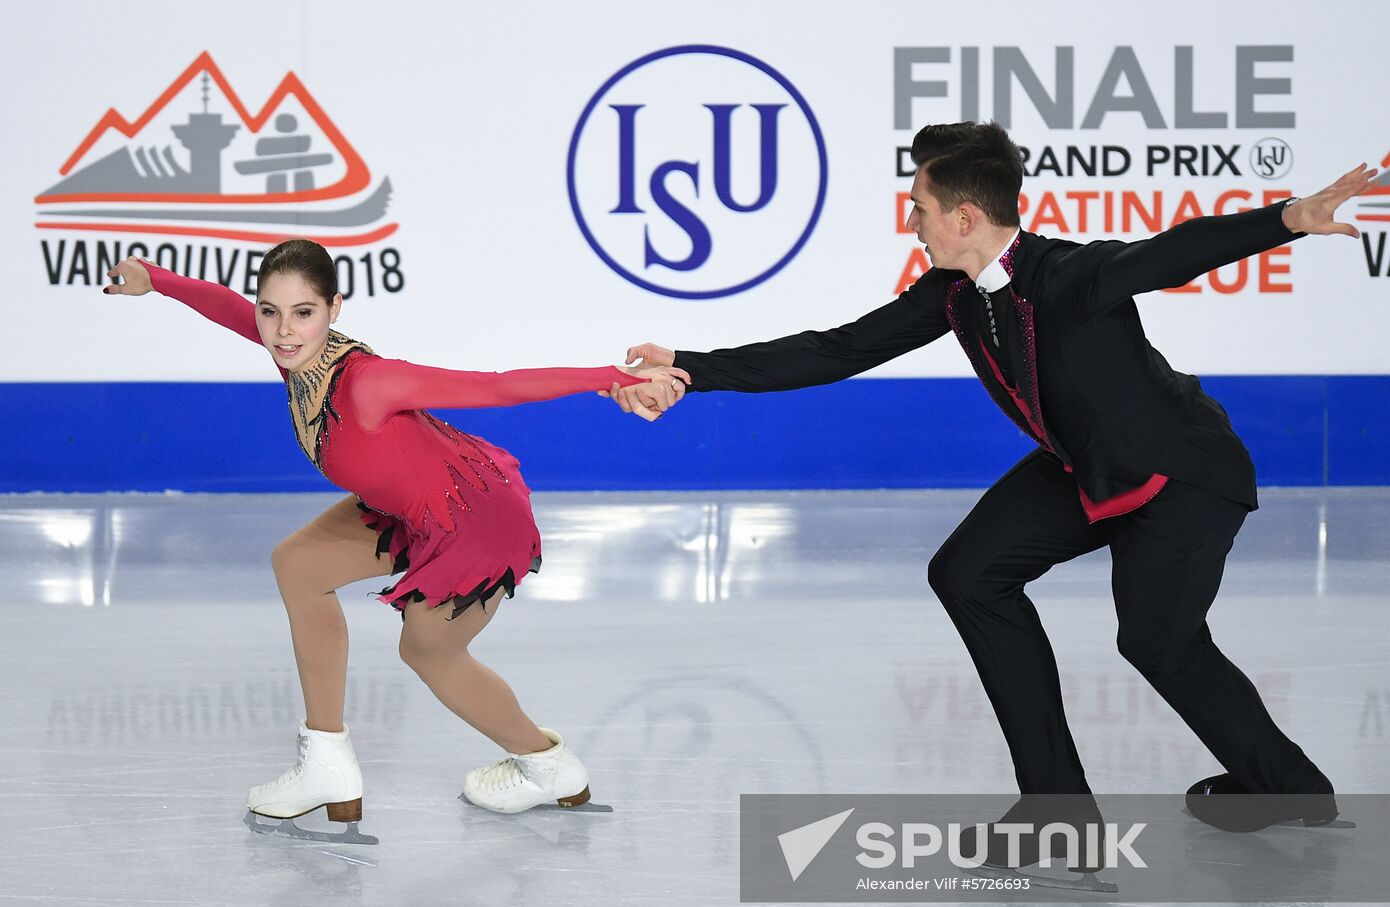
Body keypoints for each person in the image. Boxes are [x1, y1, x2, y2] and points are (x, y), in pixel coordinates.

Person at [614, 121, 1375, 860]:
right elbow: (839, 349)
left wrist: (1290, 219)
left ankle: (1289, 788)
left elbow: (1171, 253)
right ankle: (1058, 813)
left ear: (965, 215)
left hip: (1181, 474)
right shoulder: (951, 292)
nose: (912, 221)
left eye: (920, 206)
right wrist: (689, 366)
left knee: (1157, 641)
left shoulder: (1069, 274)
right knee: (968, 574)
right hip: (1082, 467)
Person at [103, 240, 688, 841]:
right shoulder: (294, 353)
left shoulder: (369, 384)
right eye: (270, 311)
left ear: (335, 308)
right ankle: (325, 764)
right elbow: (227, 307)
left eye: (302, 312)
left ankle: (548, 767)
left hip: (475, 515)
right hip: (413, 509)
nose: (282, 330)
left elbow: (498, 387)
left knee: (429, 652)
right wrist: (155, 278)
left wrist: (616, 377)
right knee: (298, 564)